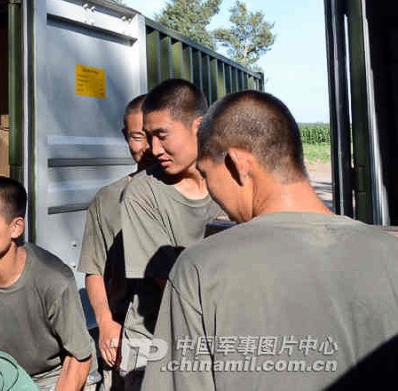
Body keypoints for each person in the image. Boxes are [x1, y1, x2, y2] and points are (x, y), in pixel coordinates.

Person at [143, 91, 398, 391]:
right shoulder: (390, 252)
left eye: (207, 174)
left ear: (237, 164)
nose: (212, 191)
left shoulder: (200, 270)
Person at [0, 176, 98, 390]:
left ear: (16, 227)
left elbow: (79, 359)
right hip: (11, 370)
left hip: (58, 374)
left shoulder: (53, 279)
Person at [118, 79, 222, 387]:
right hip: (157, 344)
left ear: (199, 126)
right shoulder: (142, 194)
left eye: (162, 136)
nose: (153, 149)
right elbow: (172, 285)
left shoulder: (229, 183)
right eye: (148, 137)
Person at [78, 94, 157, 390]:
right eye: (138, 137)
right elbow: (93, 269)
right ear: (125, 136)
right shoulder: (108, 200)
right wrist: (106, 322)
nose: (148, 147)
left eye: (154, 136)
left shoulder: (196, 195)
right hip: (124, 333)